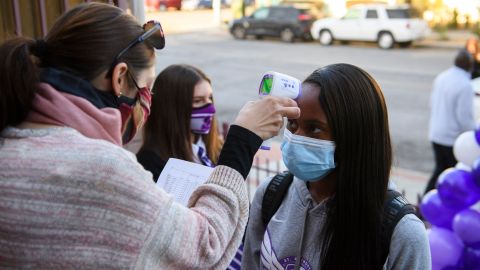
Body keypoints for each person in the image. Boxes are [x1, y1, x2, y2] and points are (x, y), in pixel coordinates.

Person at [0, 2, 300, 268]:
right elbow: (203, 248)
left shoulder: (10, 143)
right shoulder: (101, 168)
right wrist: (243, 139)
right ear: (119, 78)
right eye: (146, 87)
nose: (148, 102)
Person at [241, 64, 430, 270]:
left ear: (354, 136)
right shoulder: (271, 195)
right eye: (293, 125)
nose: (296, 138)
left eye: (314, 128)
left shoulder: (402, 233)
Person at [137, 64, 223, 181]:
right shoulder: (150, 165)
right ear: (172, 108)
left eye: (210, 98)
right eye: (198, 101)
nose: (211, 109)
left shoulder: (216, 148)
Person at [425, 49, 476, 194]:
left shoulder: (442, 76)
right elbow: (464, 119)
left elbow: (431, 103)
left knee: (440, 170)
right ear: (469, 65)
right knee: (454, 176)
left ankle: (425, 203)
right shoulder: (465, 85)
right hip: (451, 139)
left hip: (435, 133)